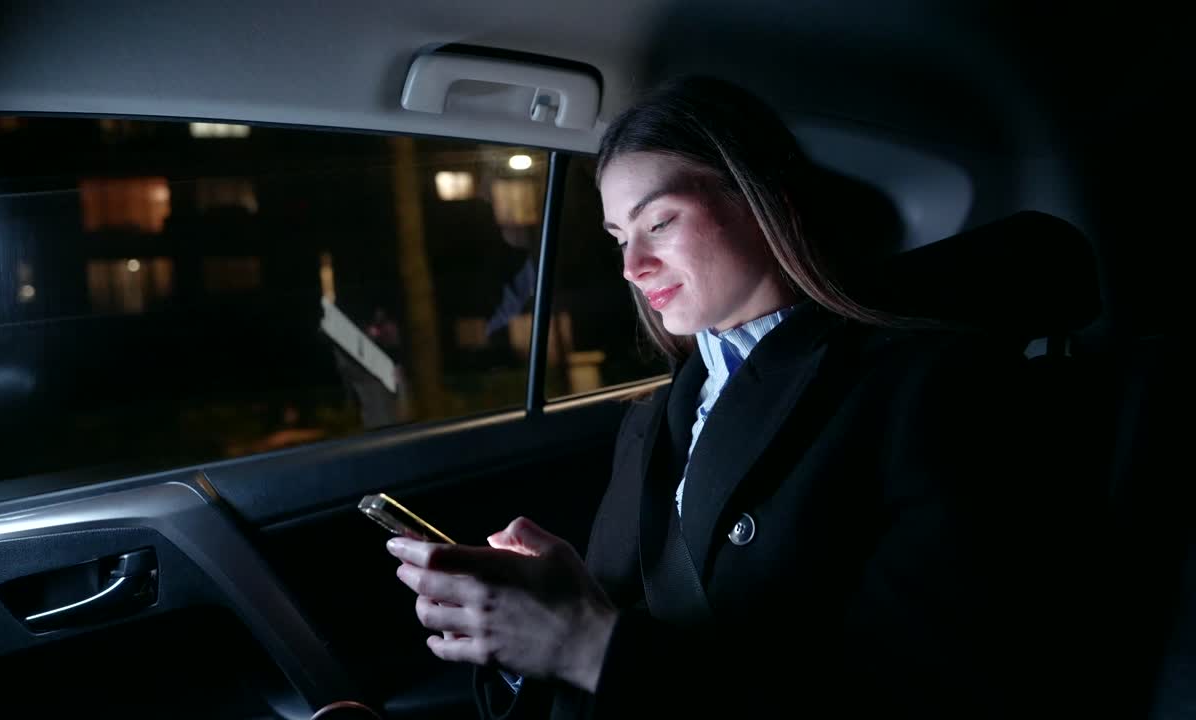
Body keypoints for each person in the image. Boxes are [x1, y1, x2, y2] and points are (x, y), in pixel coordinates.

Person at [385, 76, 1048, 718]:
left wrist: (584, 644)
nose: (630, 267)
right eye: (619, 238)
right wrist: (526, 632)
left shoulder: (931, 390)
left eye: (660, 221)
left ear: (763, 198)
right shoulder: (652, 421)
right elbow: (621, 633)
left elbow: (923, 694)